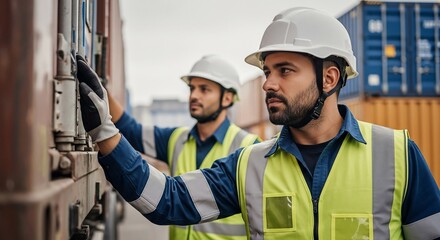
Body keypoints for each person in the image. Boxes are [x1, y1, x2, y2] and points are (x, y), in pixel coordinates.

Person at [76, 7, 440, 240]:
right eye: (267, 71)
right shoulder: (250, 163)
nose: (268, 83)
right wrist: (104, 132)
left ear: (329, 79)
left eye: (285, 71)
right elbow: (166, 201)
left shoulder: (397, 156)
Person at [102, 55, 260, 240]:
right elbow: (130, 130)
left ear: (227, 98)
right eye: (192, 88)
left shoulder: (250, 148)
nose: (194, 95)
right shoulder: (175, 139)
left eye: (204, 89)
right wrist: (102, 93)